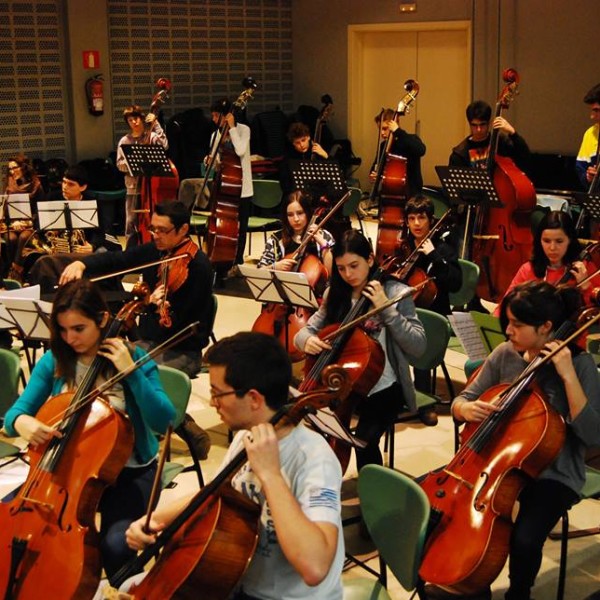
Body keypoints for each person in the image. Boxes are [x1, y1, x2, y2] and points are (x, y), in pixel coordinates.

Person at [121, 332, 344, 600]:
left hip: (287, 597)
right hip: (238, 581)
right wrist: (157, 520)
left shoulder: (314, 458)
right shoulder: (245, 437)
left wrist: (271, 475)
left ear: (253, 399)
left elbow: (315, 567)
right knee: (127, 588)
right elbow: (215, 493)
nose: (213, 403)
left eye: (217, 393)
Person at [2, 279, 176, 583]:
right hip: (66, 471)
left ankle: (130, 589)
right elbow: (13, 416)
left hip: (129, 472)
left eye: (79, 329)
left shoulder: (134, 359)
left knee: (115, 546)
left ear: (103, 320)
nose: (69, 338)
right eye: (63, 330)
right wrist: (23, 423)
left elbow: (165, 420)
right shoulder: (55, 361)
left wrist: (131, 374)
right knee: (11, 524)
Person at [450, 281, 600, 600]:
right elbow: (462, 399)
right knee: (450, 513)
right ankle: (474, 586)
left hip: (554, 472)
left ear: (546, 327)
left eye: (517, 325)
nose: (508, 331)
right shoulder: (507, 354)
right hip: (497, 461)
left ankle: (519, 593)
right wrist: (466, 408)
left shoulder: (581, 365)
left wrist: (567, 376)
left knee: (524, 540)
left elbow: (593, 435)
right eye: (509, 323)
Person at [294, 229, 427, 469]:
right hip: (340, 385)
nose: (348, 275)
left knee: (362, 442)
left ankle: (372, 495)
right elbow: (303, 332)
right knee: (312, 430)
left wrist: (386, 308)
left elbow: (418, 345)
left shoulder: (396, 293)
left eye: (354, 265)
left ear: (370, 259)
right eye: (342, 268)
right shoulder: (336, 293)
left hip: (384, 387)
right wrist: (307, 341)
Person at [59, 200, 213, 381]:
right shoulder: (157, 251)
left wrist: (152, 306)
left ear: (183, 229)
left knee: (129, 375)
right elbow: (118, 259)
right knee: (101, 361)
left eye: (162, 230)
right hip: (149, 343)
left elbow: (183, 325)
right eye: (153, 229)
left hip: (181, 350)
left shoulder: (198, 267)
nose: (155, 235)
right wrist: (82, 263)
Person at [400, 195, 462, 424]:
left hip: (435, 312)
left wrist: (434, 256)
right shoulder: (404, 248)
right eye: (412, 218)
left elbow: (455, 283)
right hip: (406, 308)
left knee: (421, 335)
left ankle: (425, 401)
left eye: (421, 218)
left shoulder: (443, 248)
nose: (416, 223)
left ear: (430, 219)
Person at [25, 165, 121, 285]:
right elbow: (39, 226)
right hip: (56, 250)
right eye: (64, 182)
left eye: (70, 184)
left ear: (83, 187)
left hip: (81, 250)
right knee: (38, 260)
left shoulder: (92, 203)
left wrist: (93, 246)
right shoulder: (51, 198)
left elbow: (101, 231)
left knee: (104, 254)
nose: (65, 187)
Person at [492, 210, 600, 316]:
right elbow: (506, 305)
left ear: (570, 240)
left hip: (571, 332)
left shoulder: (584, 268)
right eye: (546, 241)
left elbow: (594, 314)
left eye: (559, 241)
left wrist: (586, 286)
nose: (552, 248)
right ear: (539, 241)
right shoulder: (528, 269)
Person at [208, 97, 253, 272]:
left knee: (241, 227)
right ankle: (221, 257)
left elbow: (241, 150)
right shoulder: (215, 135)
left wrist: (232, 128)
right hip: (224, 186)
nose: (213, 119)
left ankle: (238, 260)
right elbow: (216, 161)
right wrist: (211, 161)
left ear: (225, 116)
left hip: (243, 188)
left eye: (215, 115)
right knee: (224, 225)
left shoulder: (243, 130)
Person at [116, 105, 169, 247]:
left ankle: (155, 248)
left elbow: (164, 146)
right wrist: (135, 165)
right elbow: (119, 164)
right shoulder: (124, 141)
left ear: (142, 118)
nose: (134, 122)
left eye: (137, 118)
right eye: (130, 120)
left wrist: (156, 125)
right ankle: (131, 254)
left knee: (154, 221)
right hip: (133, 188)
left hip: (151, 188)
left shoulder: (151, 136)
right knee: (130, 222)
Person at [257, 189, 334, 277]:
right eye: (290, 215)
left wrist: (324, 245)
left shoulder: (324, 236)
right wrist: (274, 267)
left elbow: (333, 274)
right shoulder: (276, 239)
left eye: (300, 213)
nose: (296, 219)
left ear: (308, 213)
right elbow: (259, 271)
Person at [449, 100, 530, 173]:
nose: (479, 130)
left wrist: (513, 133)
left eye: (482, 124)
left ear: (489, 123)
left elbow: (524, 155)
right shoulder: (460, 153)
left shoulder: (500, 142)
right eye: (474, 125)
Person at [3, 154, 45, 279]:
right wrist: (12, 223)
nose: (12, 171)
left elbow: (41, 210)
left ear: (23, 167)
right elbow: (5, 210)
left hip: (30, 225)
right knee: (11, 239)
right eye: (9, 169)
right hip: (13, 224)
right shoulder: (9, 184)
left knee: (24, 237)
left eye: (14, 168)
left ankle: (16, 271)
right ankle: (11, 270)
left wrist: (29, 222)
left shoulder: (36, 186)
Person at [369, 108, 426, 200]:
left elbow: (421, 150)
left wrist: (398, 131)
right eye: (380, 130)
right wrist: (374, 175)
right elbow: (376, 167)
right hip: (388, 195)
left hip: (411, 196)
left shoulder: (409, 139)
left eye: (385, 129)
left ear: (394, 125)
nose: (382, 133)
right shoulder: (384, 146)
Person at [279, 122, 329, 196]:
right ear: (293, 143)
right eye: (297, 143)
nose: (301, 145)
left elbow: (332, 175)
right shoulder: (288, 158)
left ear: (308, 137)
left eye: (303, 140)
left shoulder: (318, 152)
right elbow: (285, 184)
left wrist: (326, 155)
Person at [575, 82, 600, 190]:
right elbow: (581, 170)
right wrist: (588, 177)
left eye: (597, 110)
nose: (592, 116)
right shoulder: (590, 133)